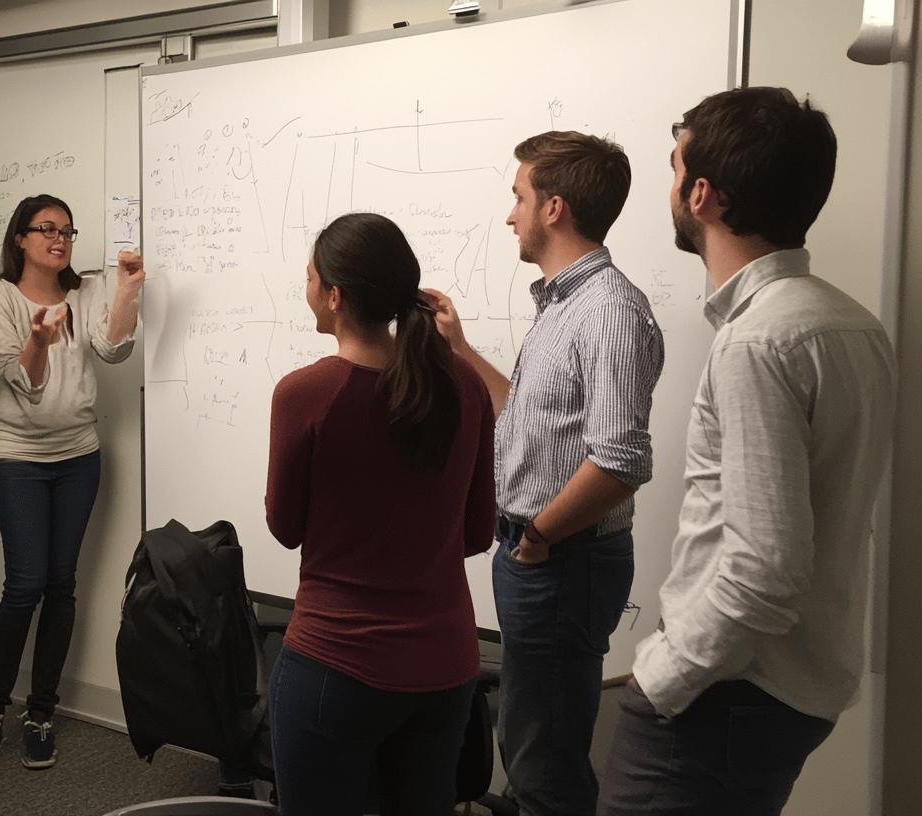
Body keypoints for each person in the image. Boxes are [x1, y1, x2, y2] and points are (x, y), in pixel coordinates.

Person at [597, 87, 897, 816]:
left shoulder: (759, 340)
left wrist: (662, 677)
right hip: (784, 692)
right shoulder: (852, 324)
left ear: (702, 194)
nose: (668, 186)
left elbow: (766, 568)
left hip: (721, 696)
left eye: (674, 169)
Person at [429, 131, 664, 816]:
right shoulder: (563, 305)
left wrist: (537, 536)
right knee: (534, 745)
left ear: (554, 207)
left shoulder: (609, 311)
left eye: (519, 197)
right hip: (541, 558)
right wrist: (461, 350)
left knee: (544, 761)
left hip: (559, 562)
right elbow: (524, 419)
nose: (510, 215)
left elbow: (620, 461)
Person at [264, 212, 496, 815]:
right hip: (446, 670)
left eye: (311, 277)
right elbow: (477, 533)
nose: (306, 289)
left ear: (334, 296)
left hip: (334, 668)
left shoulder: (304, 394)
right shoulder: (466, 386)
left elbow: (285, 529)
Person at [0, 194, 143, 769]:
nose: (59, 238)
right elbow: (23, 383)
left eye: (66, 229)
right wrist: (39, 339)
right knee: (24, 585)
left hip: (79, 457)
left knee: (61, 584)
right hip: (17, 456)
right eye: (45, 228)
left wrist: (128, 288)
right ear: (20, 238)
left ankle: (41, 710)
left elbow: (113, 350)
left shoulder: (85, 290)